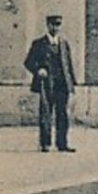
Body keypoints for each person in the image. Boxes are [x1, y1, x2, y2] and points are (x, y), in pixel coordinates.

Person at [24, 14, 76, 153]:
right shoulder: (39, 44)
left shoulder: (64, 43)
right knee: (46, 114)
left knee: (63, 114)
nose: (56, 28)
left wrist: (72, 86)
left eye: (58, 25)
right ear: (48, 26)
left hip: (62, 84)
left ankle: (62, 144)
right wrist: (38, 70)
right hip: (46, 84)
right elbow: (28, 62)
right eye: (53, 25)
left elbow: (68, 65)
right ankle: (45, 144)